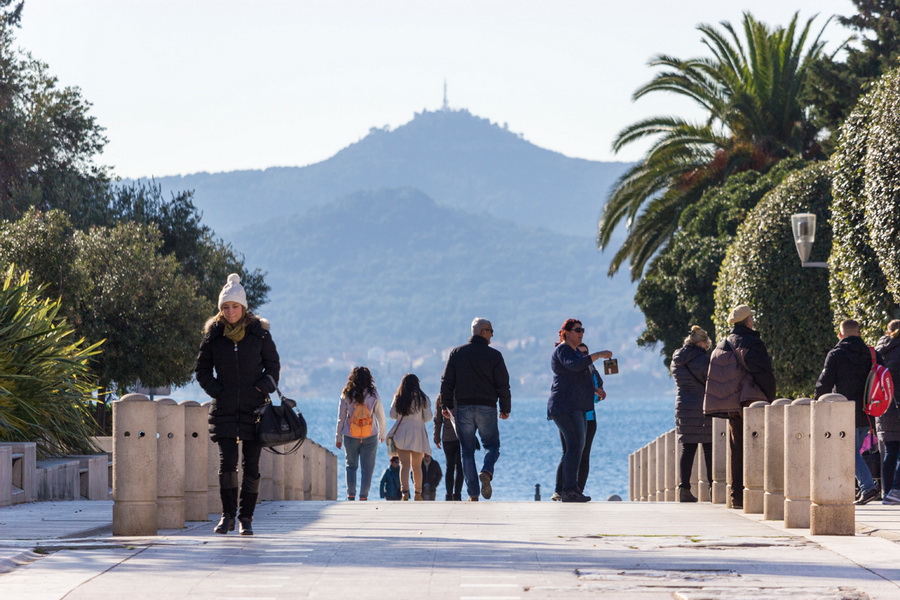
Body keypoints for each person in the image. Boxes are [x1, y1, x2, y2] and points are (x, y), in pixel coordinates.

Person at [195, 274, 280, 536]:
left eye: (234, 306)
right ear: (220, 310)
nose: (230, 311)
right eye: (225, 307)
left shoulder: (260, 334)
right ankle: (227, 516)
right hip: (224, 409)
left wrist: (262, 386)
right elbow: (202, 370)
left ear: (243, 307)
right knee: (227, 466)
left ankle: (246, 518)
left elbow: (273, 366)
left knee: (251, 467)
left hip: (255, 410)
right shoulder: (214, 336)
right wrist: (218, 391)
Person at [704, 305, 775, 509]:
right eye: (751, 317)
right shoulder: (751, 342)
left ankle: (737, 496)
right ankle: (757, 495)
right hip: (752, 402)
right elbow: (763, 373)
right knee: (757, 447)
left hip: (732, 405)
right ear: (747, 321)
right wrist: (770, 397)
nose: (753, 320)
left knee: (736, 449)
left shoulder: (721, 345)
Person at [440, 317, 512, 501]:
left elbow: (446, 382)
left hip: (463, 407)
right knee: (492, 445)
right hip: (487, 407)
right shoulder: (494, 356)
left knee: (467, 451)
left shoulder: (456, 353)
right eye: (490, 330)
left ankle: (473, 494)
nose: (493, 334)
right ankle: (487, 471)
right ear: (482, 332)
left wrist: (446, 405)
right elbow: (503, 384)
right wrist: (505, 408)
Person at [814, 318, 885, 505]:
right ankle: (857, 488)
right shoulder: (873, 354)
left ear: (840, 334)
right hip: (867, 411)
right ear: (859, 333)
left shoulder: (836, 354)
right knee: (852, 452)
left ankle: (868, 487)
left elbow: (825, 383)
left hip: (842, 412)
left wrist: (816, 404)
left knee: (847, 452)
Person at [547, 319, 613, 503]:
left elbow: (582, 375)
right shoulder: (563, 350)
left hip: (577, 407)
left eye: (582, 330)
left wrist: (595, 390)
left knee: (577, 447)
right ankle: (567, 490)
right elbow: (574, 366)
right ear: (566, 332)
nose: (581, 333)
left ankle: (572, 488)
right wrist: (598, 354)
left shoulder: (575, 352)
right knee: (574, 446)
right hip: (564, 406)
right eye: (577, 330)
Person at [670, 326, 713, 503]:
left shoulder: (676, 359)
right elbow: (710, 380)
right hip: (702, 405)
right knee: (709, 446)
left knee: (688, 447)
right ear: (702, 343)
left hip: (683, 405)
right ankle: (713, 488)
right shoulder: (703, 360)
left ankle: (684, 489)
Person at [336, 366, 387, 501]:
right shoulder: (373, 394)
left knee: (351, 466)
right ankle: (363, 496)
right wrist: (382, 433)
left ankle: (350, 495)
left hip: (350, 435)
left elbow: (341, 418)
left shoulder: (346, 393)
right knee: (367, 468)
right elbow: (380, 415)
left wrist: (338, 437)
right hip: (370, 435)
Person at [387, 373, 434, 501]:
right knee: (417, 466)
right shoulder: (423, 398)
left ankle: (405, 493)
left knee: (404, 465)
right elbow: (428, 417)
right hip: (418, 435)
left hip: (402, 435)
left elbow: (392, 414)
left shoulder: (399, 397)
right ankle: (418, 494)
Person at [876, 320, 900, 505]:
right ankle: (896, 490)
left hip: (884, 405)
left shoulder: (879, 349)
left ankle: (887, 491)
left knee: (890, 451)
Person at [434, 394, 464, 500]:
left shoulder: (441, 398)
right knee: (460, 467)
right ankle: (457, 494)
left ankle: (448, 495)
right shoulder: (462, 394)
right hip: (461, 436)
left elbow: (438, 420)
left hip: (447, 438)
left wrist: (436, 438)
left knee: (450, 467)